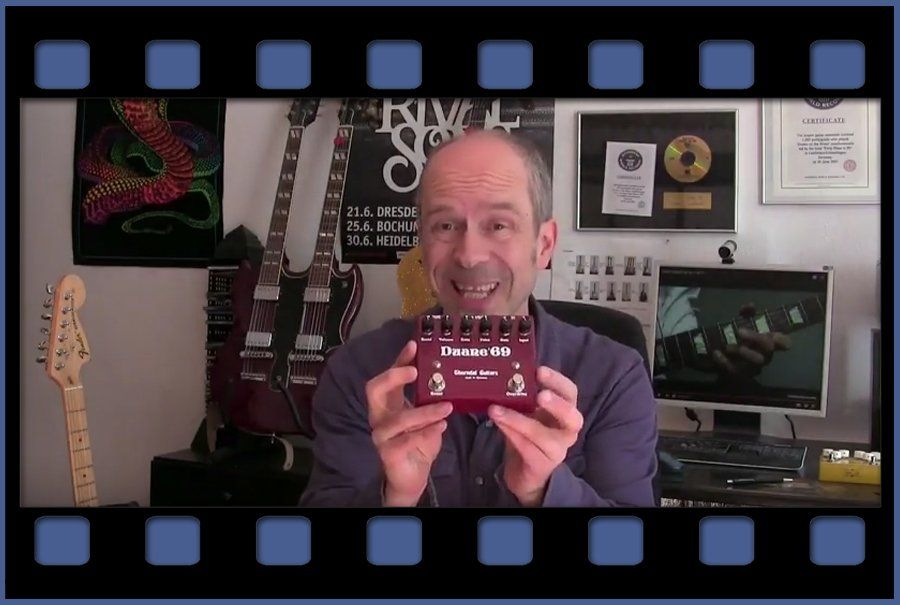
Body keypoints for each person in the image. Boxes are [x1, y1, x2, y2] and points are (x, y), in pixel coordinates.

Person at [298, 129, 658, 507]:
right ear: (422, 243)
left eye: (498, 226)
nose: (469, 255)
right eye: (445, 226)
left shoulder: (614, 377)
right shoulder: (358, 371)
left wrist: (543, 490)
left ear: (544, 245)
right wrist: (395, 496)